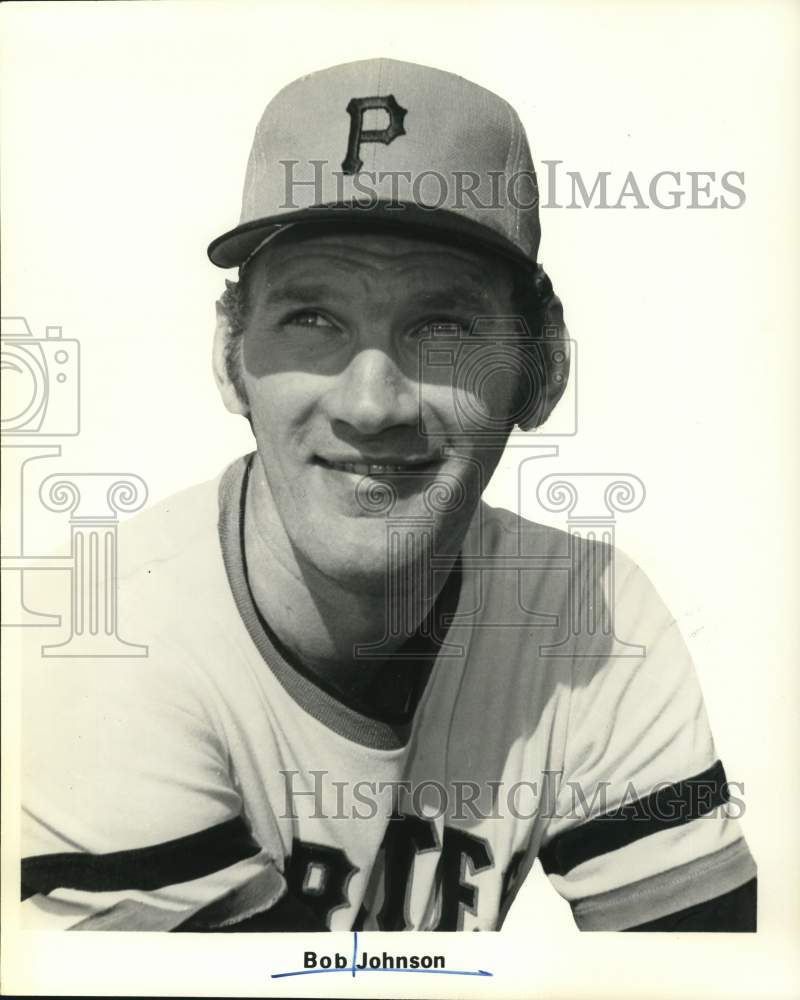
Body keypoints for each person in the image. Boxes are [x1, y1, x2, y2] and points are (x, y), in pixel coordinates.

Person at [21, 58, 756, 932]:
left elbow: (702, 980)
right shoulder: (96, 640)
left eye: (442, 327)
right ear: (229, 355)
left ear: (541, 367)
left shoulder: (592, 615)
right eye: (313, 319)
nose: (372, 405)